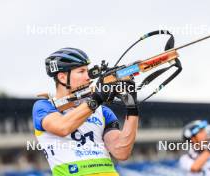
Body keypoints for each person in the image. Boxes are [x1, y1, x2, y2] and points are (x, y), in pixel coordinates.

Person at [32, 48, 139, 176]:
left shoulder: (103, 111)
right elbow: (62, 127)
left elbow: (121, 152)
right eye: (81, 71)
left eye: (87, 71)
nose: (88, 77)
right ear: (62, 77)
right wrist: (98, 97)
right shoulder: (44, 106)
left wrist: (132, 108)